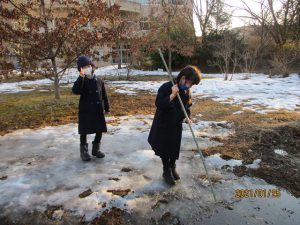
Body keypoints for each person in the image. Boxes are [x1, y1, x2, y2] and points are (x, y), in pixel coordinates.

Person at [148, 65, 202, 185]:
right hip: (163, 123)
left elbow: (188, 106)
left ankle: (172, 167)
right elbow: (159, 104)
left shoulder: (187, 90)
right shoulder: (167, 87)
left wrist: (188, 116)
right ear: (183, 78)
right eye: (190, 83)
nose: (190, 86)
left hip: (176, 124)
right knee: (164, 148)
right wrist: (172, 95)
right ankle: (166, 170)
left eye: (192, 84)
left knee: (173, 147)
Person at [72, 56, 110, 161]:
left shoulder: (99, 80)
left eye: (89, 66)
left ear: (92, 66)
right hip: (86, 110)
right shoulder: (82, 80)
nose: (88, 68)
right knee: (84, 131)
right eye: (84, 67)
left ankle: (95, 150)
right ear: (81, 69)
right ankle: (84, 152)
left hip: (98, 110)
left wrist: (107, 108)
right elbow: (75, 90)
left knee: (99, 130)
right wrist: (81, 77)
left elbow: (104, 95)